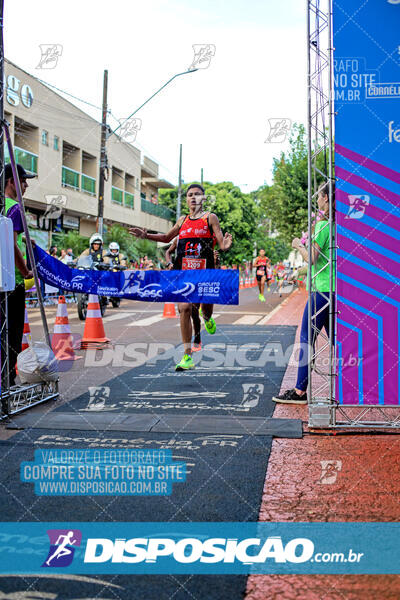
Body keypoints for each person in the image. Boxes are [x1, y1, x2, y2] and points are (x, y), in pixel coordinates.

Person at [129, 183, 232, 371]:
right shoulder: (182, 220)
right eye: (190, 195)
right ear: (186, 199)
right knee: (184, 308)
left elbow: (221, 244)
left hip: (205, 273)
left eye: (198, 195)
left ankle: (207, 318)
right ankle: (187, 356)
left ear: (204, 199)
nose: (193, 197)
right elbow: (167, 238)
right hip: (183, 272)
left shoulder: (211, 218)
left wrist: (226, 245)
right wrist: (146, 235)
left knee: (205, 311)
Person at [273, 182, 335, 405]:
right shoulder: (338, 227)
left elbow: (313, 258)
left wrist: (299, 245)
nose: (317, 200)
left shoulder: (322, 226)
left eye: (319, 196)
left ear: (326, 199)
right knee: (339, 340)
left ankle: (300, 391)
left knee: (306, 338)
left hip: (321, 289)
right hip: (335, 290)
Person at [0, 163, 35, 388]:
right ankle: (7, 382)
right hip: (12, 281)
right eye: (23, 180)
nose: (26, 185)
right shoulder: (14, 208)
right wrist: (26, 271)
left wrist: (25, 241)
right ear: (11, 182)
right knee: (12, 334)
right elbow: (10, 244)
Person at [165, 236, 202, 352]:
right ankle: (187, 350)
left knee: (195, 313)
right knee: (184, 308)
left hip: (196, 278)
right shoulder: (178, 239)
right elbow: (168, 252)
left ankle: (197, 337)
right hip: (181, 278)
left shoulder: (201, 240)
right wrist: (169, 263)